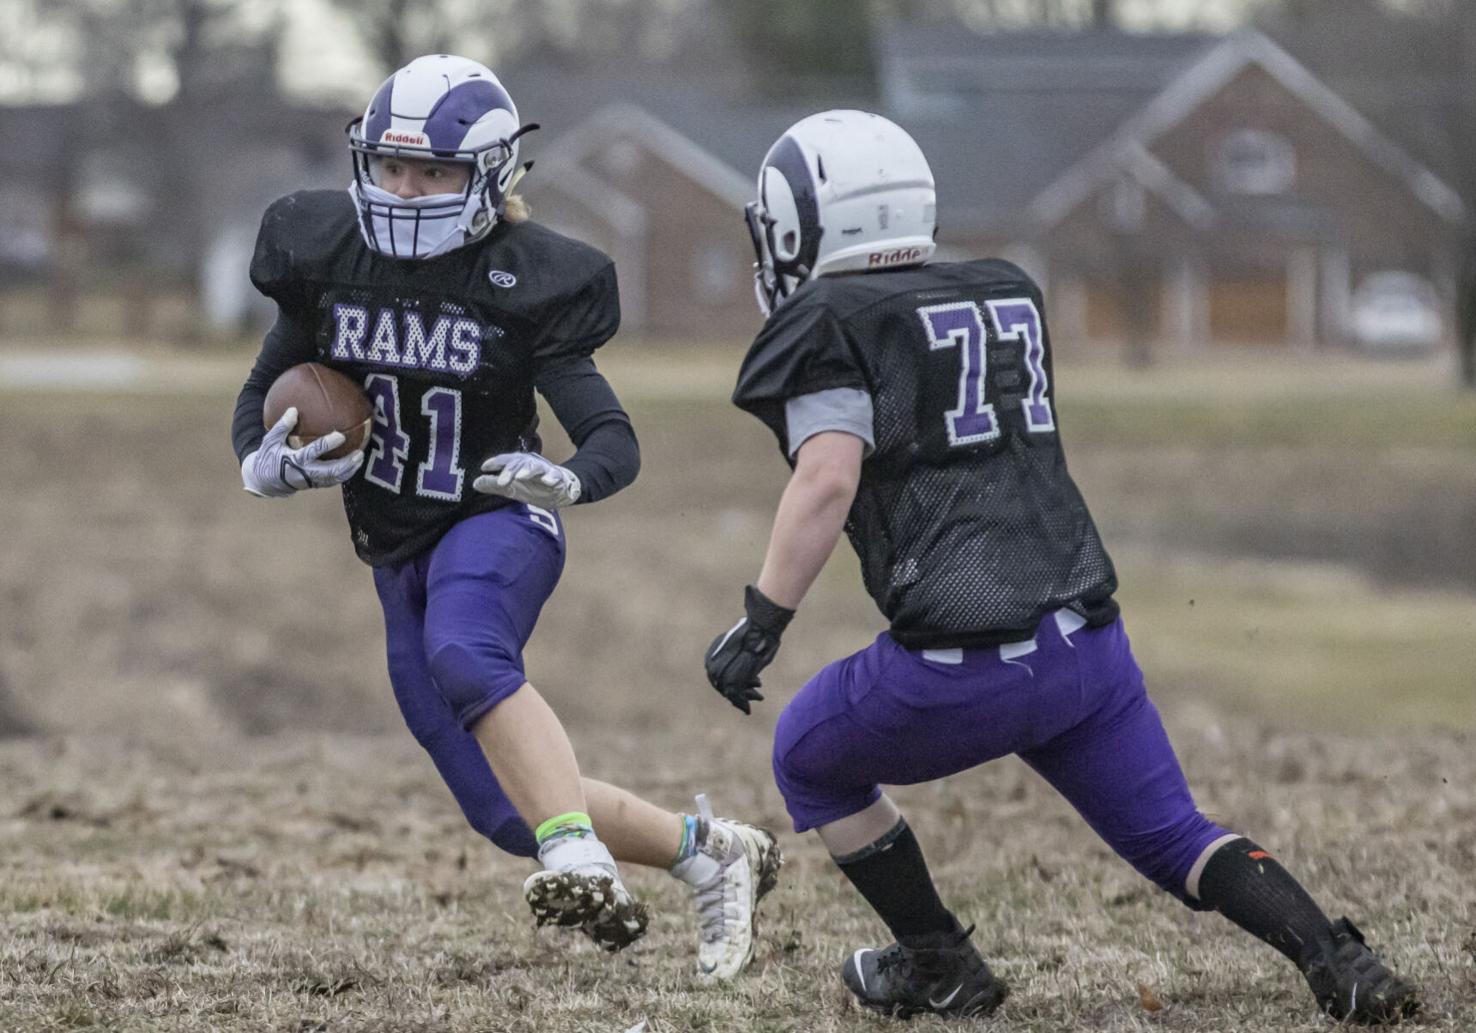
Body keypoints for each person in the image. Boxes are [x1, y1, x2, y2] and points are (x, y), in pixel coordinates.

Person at [703, 109, 1418, 1022]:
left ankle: (940, 963)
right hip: (1087, 649)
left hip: (963, 665)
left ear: (805, 224)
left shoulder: (830, 322)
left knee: (806, 753)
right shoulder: (1000, 286)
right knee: (1176, 837)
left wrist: (763, 619)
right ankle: (1338, 961)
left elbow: (827, 479)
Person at [231, 54, 779, 979]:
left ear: (490, 177)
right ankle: (711, 851)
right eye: (393, 166)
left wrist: (564, 479)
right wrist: (265, 463)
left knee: (466, 652)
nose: (407, 190)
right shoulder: (326, 254)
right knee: (499, 809)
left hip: (496, 517)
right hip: (392, 544)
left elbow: (612, 436)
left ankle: (576, 851)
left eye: (435, 172)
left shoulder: (528, 278)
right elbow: (263, 394)